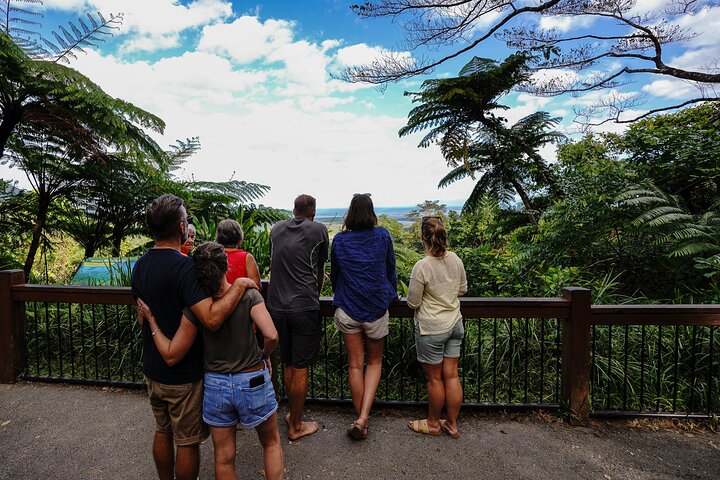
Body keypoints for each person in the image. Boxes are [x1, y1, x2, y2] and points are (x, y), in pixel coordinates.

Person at [131, 194, 256, 480]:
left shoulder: (140, 265)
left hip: (153, 366)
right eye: (186, 219)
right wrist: (239, 287)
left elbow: (142, 312)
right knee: (187, 440)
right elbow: (211, 318)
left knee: (162, 430)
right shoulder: (185, 268)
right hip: (184, 373)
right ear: (179, 227)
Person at [138, 242, 284, 480]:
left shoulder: (197, 309)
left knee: (224, 456)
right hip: (252, 378)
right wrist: (264, 355)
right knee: (270, 443)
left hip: (216, 386)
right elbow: (271, 335)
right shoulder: (249, 296)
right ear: (225, 266)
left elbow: (172, 351)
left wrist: (152, 321)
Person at [330, 193, 397, 440]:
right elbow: (391, 269)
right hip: (377, 308)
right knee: (374, 363)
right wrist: (391, 293)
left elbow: (335, 276)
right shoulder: (382, 236)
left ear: (350, 213)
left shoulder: (339, 240)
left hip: (348, 307)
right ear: (371, 213)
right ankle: (363, 418)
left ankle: (361, 420)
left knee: (355, 365)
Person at [266, 194, 329, 440]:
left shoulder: (277, 229)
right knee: (301, 367)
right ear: (312, 212)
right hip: (304, 306)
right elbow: (320, 268)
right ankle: (296, 426)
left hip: (276, 306)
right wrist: (315, 293)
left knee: (289, 363)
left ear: (294, 210)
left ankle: (293, 415)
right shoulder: (319, 230)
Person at [406, 216, 467, 439]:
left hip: (432, 328)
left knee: (435, 379)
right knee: (451, 376)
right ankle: (451, 424)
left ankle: (433, 423)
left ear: (422, 237)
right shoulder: (456, 260)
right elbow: (462, 289)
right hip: (455, 324)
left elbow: (413, 302)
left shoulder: (422, 267)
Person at [216, 219, 261, 289]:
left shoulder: (213, 256)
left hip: (217, 299)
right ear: (239, 238)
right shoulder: (246, 257)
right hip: (241, 298)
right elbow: (257, 286)